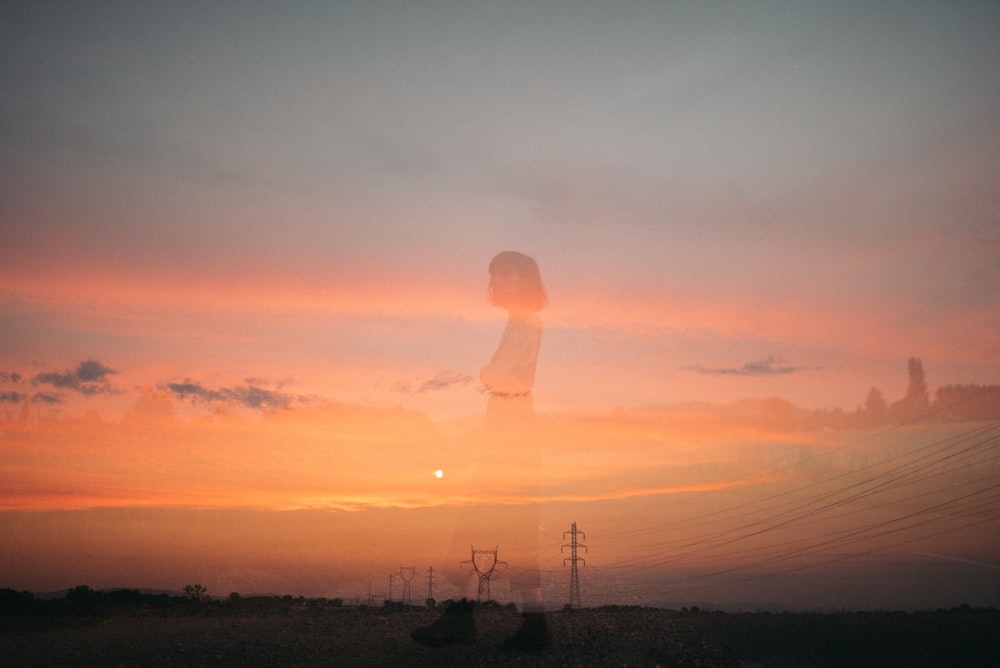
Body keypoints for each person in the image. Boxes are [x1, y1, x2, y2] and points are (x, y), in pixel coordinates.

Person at [412, 251, 550, 650]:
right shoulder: (523, 321)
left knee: (486, 524)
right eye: (495, 275)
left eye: (507, 275)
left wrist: (488, 378)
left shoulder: (523, 323)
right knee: (507, 528)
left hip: (512, 432)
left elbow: (494, 373)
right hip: (514, 429)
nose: (499, 282)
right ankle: (527, 626)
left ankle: (463, 620)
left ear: (525, 280)